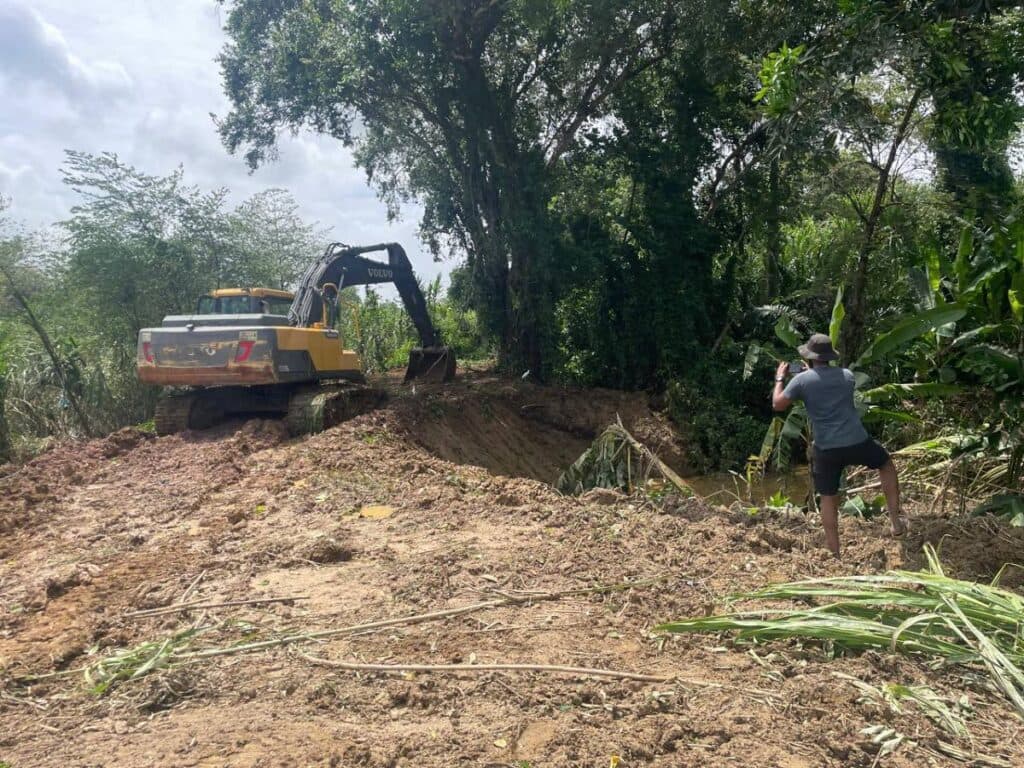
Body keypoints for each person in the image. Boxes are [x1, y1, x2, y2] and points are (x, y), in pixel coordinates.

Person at [772, 333, 908, 557]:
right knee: (886, 465)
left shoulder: (801, 381)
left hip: (827, 449)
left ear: (810, 357)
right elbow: (826, 384)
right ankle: (895, 521)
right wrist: (812, 374)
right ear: (829, 357)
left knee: (828, 497)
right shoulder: (847, 375)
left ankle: (835, 554)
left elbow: (778, 404)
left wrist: (780, 379)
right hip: (857, 441)